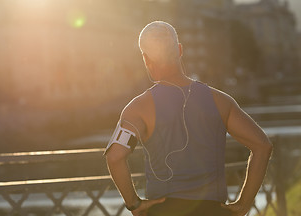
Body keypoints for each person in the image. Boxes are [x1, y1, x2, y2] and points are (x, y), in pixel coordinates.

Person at [104, 21, 273, 216]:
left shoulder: (137, 108)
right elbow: (262, 145)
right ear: (179, 50)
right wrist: (244, 203)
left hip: (163, 210)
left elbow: (115, 156)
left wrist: (134, 204)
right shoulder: (221, 101)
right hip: (212, 210)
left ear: (145, 58)